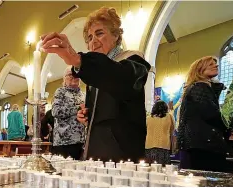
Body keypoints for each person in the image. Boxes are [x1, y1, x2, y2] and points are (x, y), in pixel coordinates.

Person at [41, 7, 151, 162]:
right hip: (95, 152)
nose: (93, 41)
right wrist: (87, 115)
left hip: (121, 156)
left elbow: (121, 80)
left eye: (99, 33)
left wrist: (77, 59)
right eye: (90, 37)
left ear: (115, 35)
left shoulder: (133, 60)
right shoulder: (93, 75)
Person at [178, 56, 232, 173]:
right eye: (211, 64)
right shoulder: (200, 87)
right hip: (204, 144)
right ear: (200, 69)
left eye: (216, 64)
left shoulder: (202, 87)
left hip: (200, 143)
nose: (216, 66)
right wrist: (229, 125)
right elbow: (210, 114)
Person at [51, 66, 86, 159]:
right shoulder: (60, 92)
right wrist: (78, 108)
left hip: (81, 140)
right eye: (70, 74)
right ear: (64, 78)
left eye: (76, 74)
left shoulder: (83, 95)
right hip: (64, 141)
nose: (74, 76)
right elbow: (55, 111)